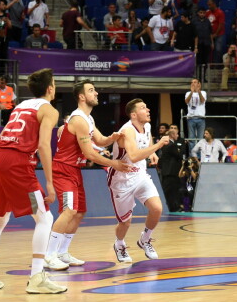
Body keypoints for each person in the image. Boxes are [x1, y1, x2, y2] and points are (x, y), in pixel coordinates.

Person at [0, 68, 67, 293]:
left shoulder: (21, 106)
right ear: (50, 88)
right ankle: (37, 277)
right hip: (16, 163)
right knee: (45, 217)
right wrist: (49, 183)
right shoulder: (49, 110)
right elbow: (44, 145)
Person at [44, 80, 130, 270]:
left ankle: (62, 252)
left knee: (79, 212)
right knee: (69, 211)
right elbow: (90, 154)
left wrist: (114, 137)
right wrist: (114, 164)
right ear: (81, 96)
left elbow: (100, 140)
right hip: (62, 170)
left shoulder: (88, 119)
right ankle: (48, 255)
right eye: (91, 90)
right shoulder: (79, 120)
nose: (96, 93)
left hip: (74, 170)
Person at [109, 99, 170, 263]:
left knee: (157, 209)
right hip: (122, 179)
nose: (148, 110)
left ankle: (145, 239)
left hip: (141, 175)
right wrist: (157, 146)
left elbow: (146, 140)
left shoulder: (147, 126)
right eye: (143, 108)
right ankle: (119, 244)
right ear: (134, 114)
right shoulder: (127, 131)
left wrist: (151, 153)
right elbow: (134, 156)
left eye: (147, 106)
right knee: (125, 223)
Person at [158, 124, 185, 212]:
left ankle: (173, 207)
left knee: (169, 191)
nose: (177, 136)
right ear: (172, 135)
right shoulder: (172, 145)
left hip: (166, 171)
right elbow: (179, 155)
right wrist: (179, 151)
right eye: (176, 134)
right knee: (171, 191)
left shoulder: (165, 145)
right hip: (171, 172)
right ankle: (173, 207)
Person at [185, 78, 207, 151]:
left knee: (201, 138)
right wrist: (192, 92)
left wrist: (198, 91)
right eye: (192, 82)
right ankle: (192, 156)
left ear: (199, 84)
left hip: (201, 118)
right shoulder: (188, 93)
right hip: (191, 118)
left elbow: (202, 100)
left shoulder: (203, 92)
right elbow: (187, 101)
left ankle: (200, 156)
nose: (193, 84)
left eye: (195, 82)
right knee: (191, 138)